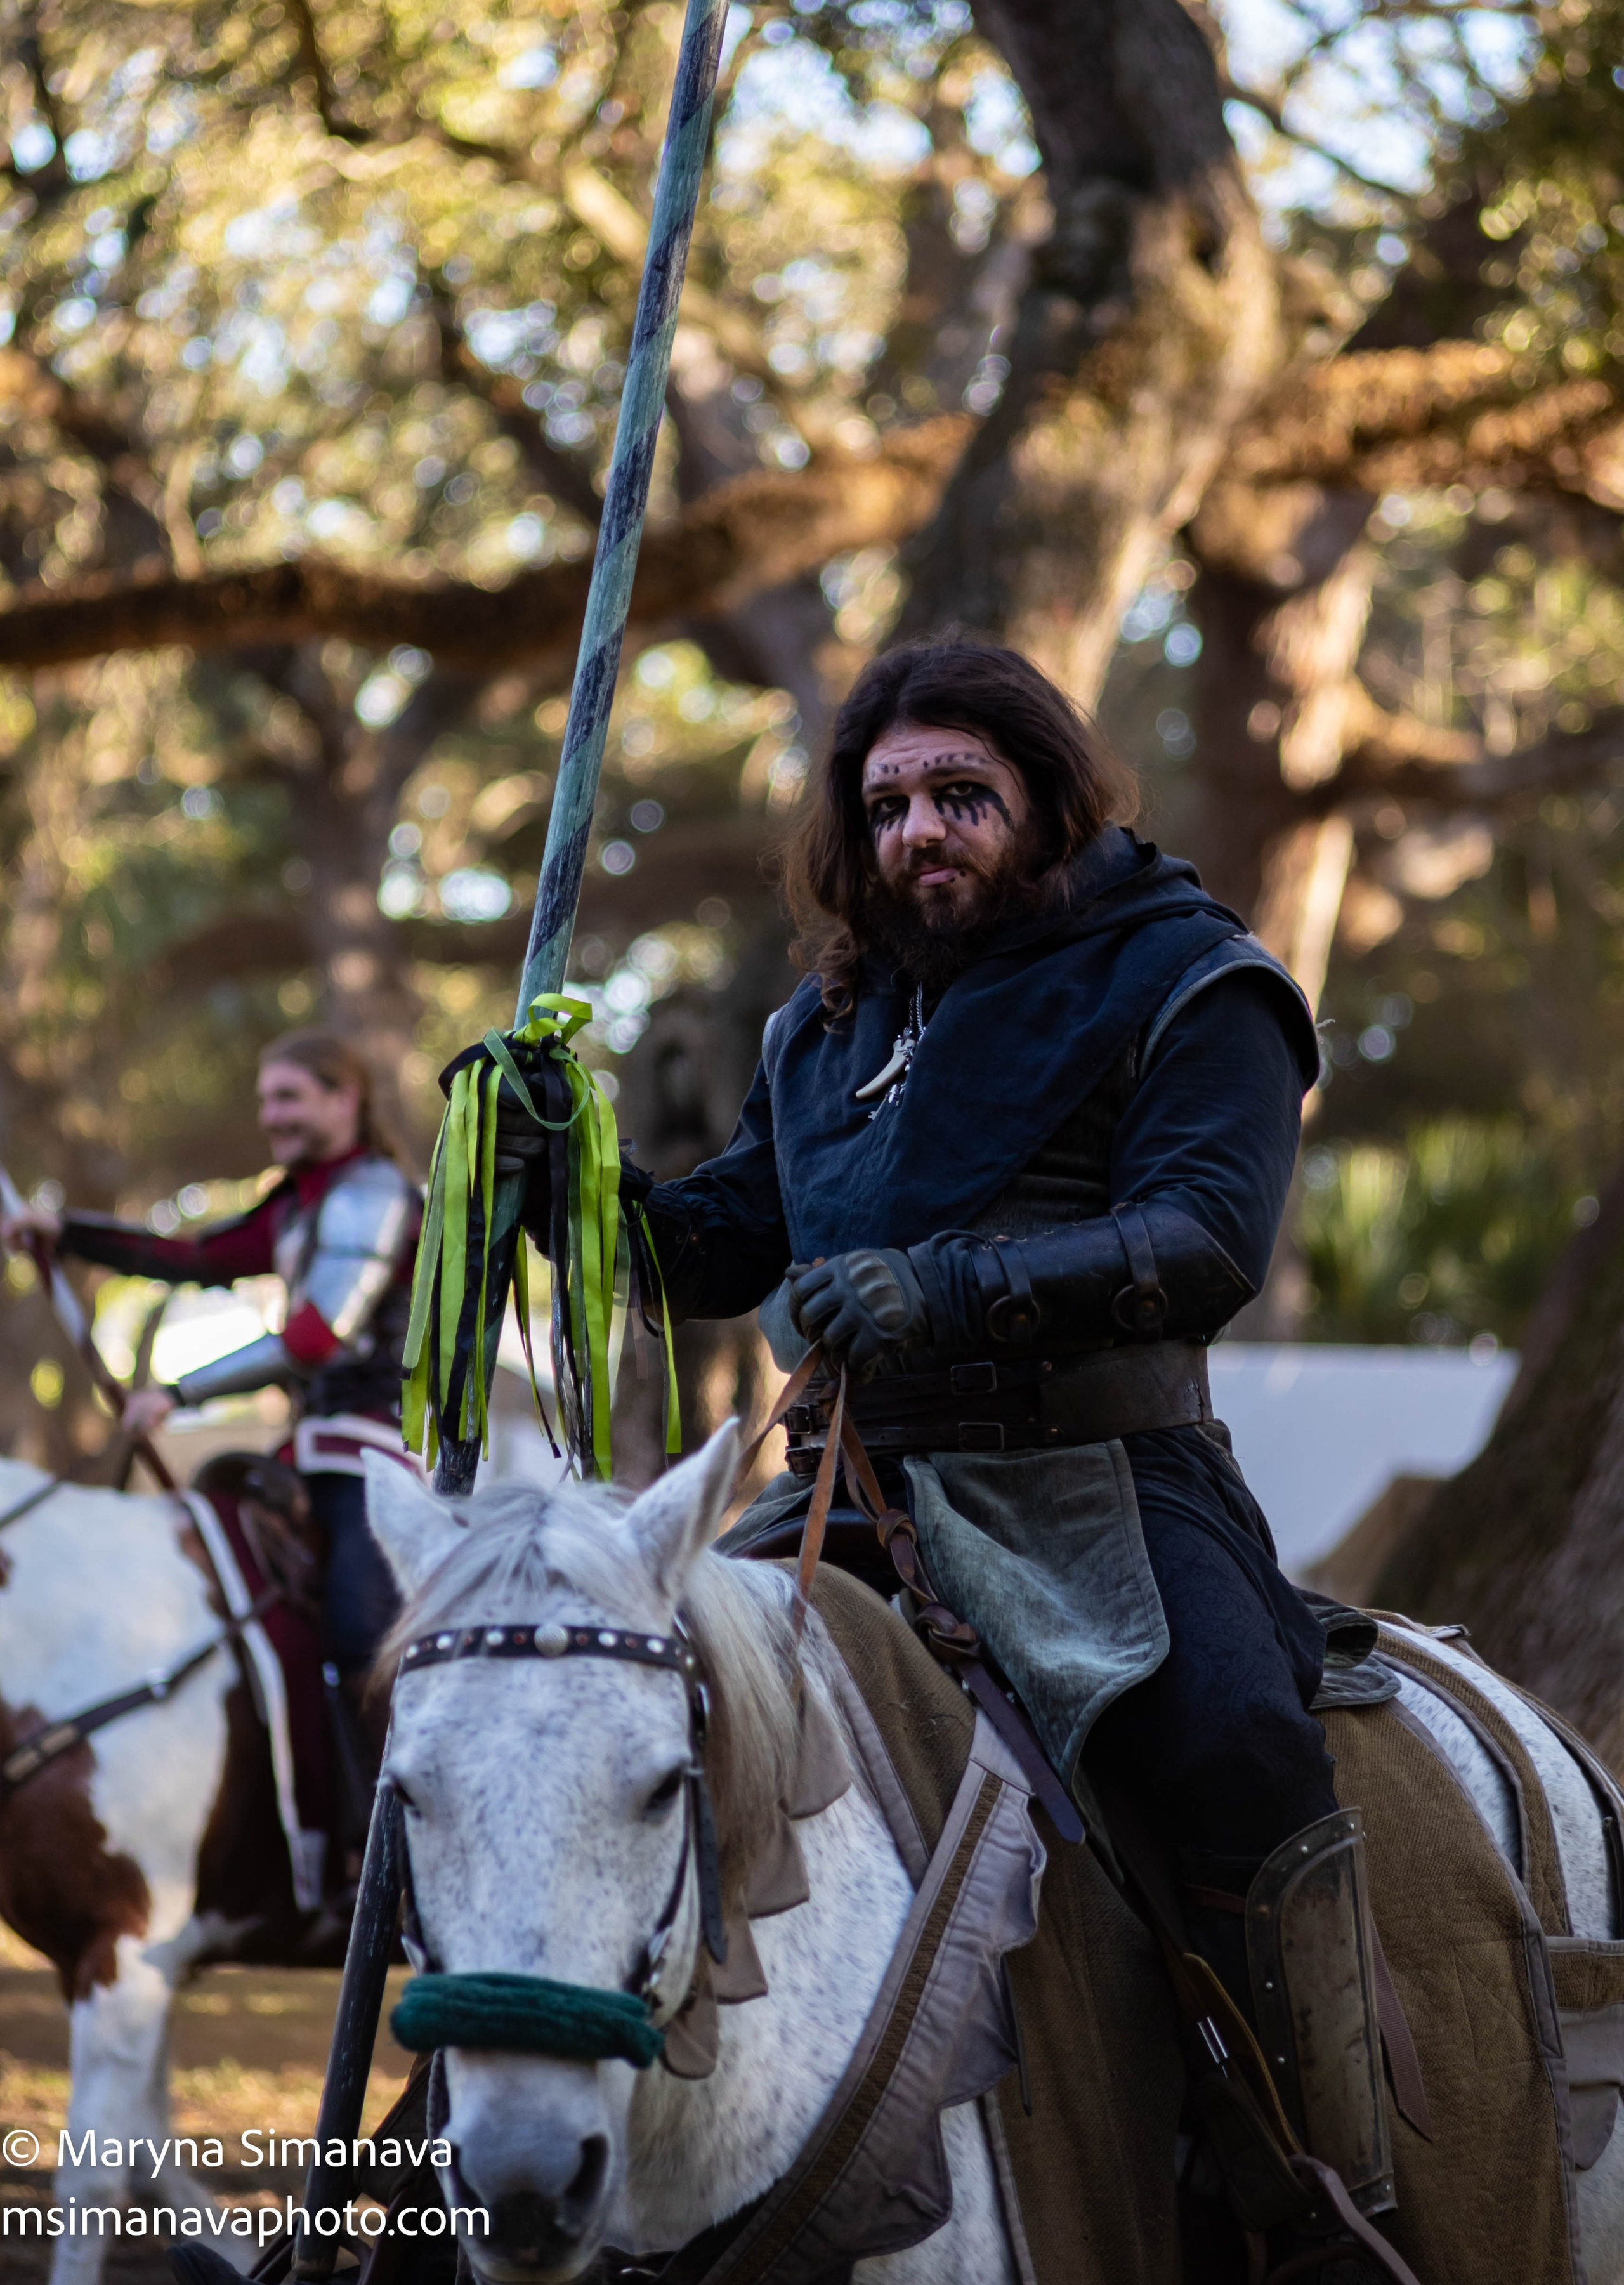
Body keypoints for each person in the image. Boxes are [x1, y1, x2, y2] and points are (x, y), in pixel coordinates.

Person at [502, 632, 1394, 2274]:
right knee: (581, 1701)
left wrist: (948, 1285)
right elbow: (712, 1248)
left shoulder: (1198, 976)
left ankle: (1313, 2182)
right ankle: (510, 2155)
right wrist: (577, 1191)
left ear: (1049, 796)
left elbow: (1206, 1238)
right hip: (846, 1490)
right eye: (890, 799)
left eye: (962, 795)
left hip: (1102, 1488)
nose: (921, 831)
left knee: (1235, 1750)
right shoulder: (826, 1024)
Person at [1, 1030, 421, 1688]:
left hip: (378, 1455)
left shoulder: (371, 1193)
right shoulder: (295, 1203)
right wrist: (69, 1233)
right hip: (305, 1455)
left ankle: (387, 1788)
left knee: (363, 1627)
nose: (269, 1117)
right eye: (264, 1100)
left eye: (288, 1097)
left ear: (346, 1100)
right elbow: (194, 1258)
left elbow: (317, 1338)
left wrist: (176, 1393)